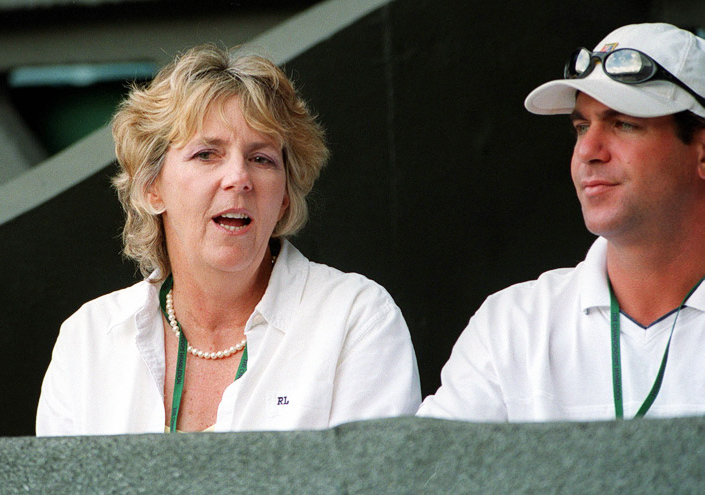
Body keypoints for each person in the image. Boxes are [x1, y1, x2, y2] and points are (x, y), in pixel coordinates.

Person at [36, 44, 421, 435]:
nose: (239, 177)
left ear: (284, 194)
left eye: (262, 159)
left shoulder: (354, 319)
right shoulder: (87, 341)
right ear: (152, 188)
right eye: (207, 154)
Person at [417, 23, 705, 422]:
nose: (587, 150)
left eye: (623, 123)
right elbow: (428, 475)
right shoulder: (512, 326)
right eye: (581, 127)